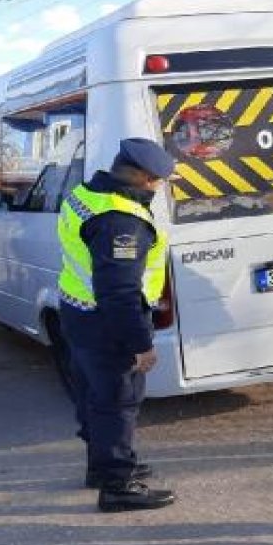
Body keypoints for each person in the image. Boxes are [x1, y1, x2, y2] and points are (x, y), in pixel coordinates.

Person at [58, 138, 177, 513]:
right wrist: (141, 343)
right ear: (141, 177)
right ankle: (117, 486)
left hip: (78, 312)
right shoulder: (121, 221)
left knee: (94, 397)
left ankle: (102, 465)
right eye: (158, 180)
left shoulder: (86, 193)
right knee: (117, 402)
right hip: (107, 322)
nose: (159, 187)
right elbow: (121, 291)